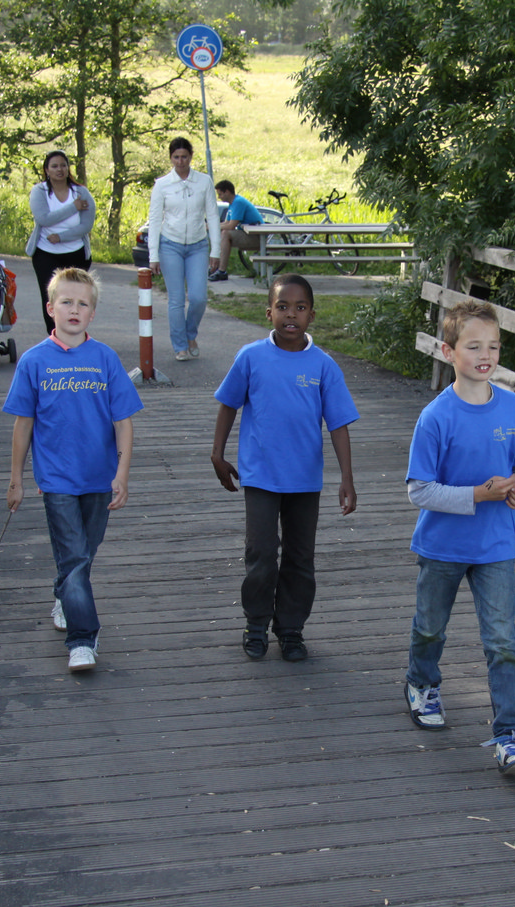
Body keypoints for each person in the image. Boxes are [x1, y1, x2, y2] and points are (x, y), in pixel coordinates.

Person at [403, 300, 515, 776]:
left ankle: (511, 734)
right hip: (442, 546)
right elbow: (419, 490)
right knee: (430, 627)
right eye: (474, 346)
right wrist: (479, 495)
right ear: (449, 352)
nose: (486, 355)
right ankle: (422, 683)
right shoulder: (436, 417)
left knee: (502, 641)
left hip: (495, 547)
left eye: (494, 347)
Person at [211, 273, 359, 662]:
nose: (290, 314)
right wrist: (217, 453)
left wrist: (347, 477)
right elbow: (229, 404)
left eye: (300, 307)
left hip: (305, 480)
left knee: (300, 558)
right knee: (261, 554)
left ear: (312, 315)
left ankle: (291, 628)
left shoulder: (323, 365)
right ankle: (256, 623)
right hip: (260, 476)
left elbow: (338, 423)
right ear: (269, 312)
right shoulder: (251, 357)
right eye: (282, 307)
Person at [4, 268, 143, 673]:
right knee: (76, 557)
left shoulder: (105, 359)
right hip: (57, 480)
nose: (74, 309)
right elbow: (23, 425)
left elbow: (124, 422)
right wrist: (16, 480)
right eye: (66, 301)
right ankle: (82, 640)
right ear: (50, 308)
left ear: (92, 313)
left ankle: (65, 594)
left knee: (84, 552)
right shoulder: (34, 361)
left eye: (83, 303)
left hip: (99, 477)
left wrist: (122, 474)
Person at [147, 136, 219, 361]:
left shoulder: (204, 182)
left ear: (191, 157)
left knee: (198, 298)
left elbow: (213, 216)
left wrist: (215, 250)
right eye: (176, 157)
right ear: (171, 158)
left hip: (198, 245)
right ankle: (180, 346)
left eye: (184, 157)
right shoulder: (162, 185)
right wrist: (153, 255)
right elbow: (154, 219)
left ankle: (190, 334)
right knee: (176, 300)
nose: (180, 162)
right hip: (170, 245)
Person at [25, 150, 95, 333]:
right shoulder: (39, 191)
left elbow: (86, 225)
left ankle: (75, 334)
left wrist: (61, 237)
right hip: (46, 253)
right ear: (47, 170)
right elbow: (44, 219)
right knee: (52, 297)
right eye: (54, 166)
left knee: (76, 298)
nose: (60, 169)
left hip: (76, 253)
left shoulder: (80, 192)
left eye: (63, 165)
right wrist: (74, 207)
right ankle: (54, 335)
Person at [208, 180, 263, 282]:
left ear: (227, 192)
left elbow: (231, 226)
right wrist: (211, 226)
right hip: (249, 234)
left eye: (220, 194)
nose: (219, 197)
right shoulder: (232, 204)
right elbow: (226, 223)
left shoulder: (238, 202)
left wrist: (211, 227)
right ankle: (213, 267)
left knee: (225, 234)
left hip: (257, 237)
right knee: (220, 234)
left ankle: (222, 271)